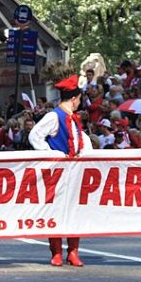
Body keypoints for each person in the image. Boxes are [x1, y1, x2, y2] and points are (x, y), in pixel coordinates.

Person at [29, 74, 92, 267]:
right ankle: (56, 252)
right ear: (74, 99)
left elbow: (83, 141)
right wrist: (52, 155)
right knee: (55, 210)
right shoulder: (54, 116)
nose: (80, 103)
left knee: (75, 211)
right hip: (58, 171)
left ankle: (73, 252)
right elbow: (35, 136)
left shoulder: (74, 120)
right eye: (79, 99)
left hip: (75, 171)